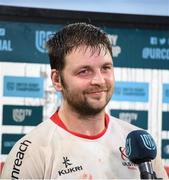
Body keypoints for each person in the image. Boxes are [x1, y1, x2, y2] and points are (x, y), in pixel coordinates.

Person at [1, 22, 168, 179]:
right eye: (84, 71)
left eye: (105, 68)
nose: (99, 80)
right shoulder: (31, 152)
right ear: (57, 79)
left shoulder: (140, 143)